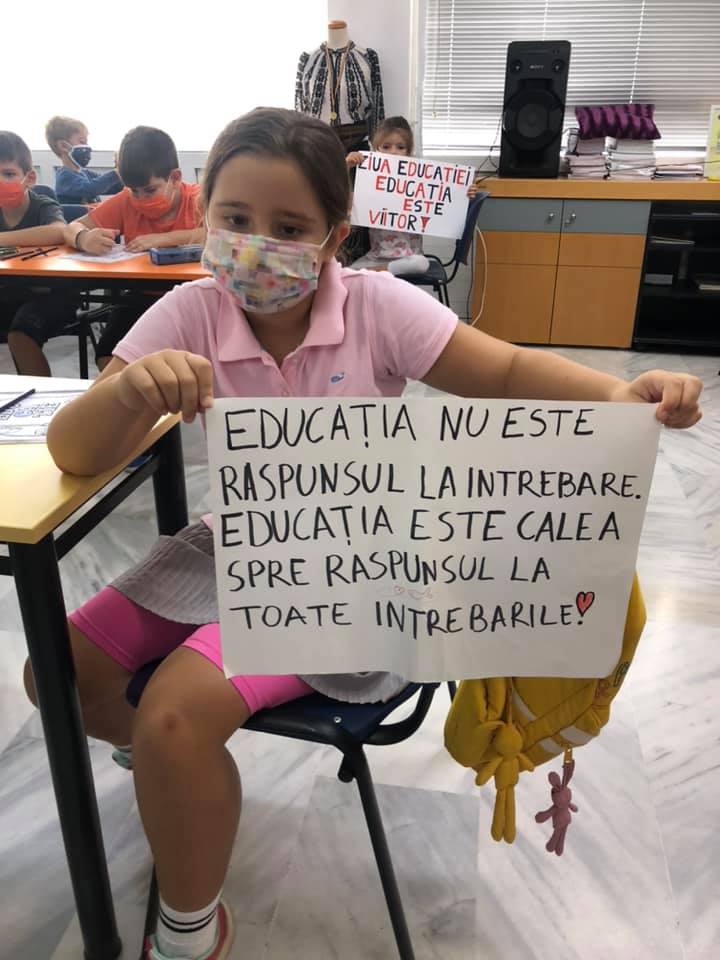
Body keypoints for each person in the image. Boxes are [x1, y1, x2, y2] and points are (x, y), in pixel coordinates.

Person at [29, 108, 702, 960]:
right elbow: (74, 451)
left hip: (351, 571)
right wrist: (128, 391)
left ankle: (190, 931)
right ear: (206, 214)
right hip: (233, 544)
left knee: (174, 716)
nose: (257, 244)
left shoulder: (376, 305)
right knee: (55, 675)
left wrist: (618, 396)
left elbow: (503, 369)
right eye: (235, 219)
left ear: (334, 237)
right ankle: (171, 771)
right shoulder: (191, 310)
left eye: (288, 229)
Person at [64, 126, 204, 368]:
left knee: (186, 366)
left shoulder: (199, 199)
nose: (140, 199)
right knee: (108, 358)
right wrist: (83, 238)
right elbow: (71, 227)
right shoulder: (126, 201)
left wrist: (163, 239)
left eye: (150, 190)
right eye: (134, 191)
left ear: (175, 178)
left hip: (195, 301)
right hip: (141, 296)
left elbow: (220, 234)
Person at [346, 115, 478, 274]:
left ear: (408, 152)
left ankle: (379, 272)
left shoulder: (420, 181)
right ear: (376, 149)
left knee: (421, 263)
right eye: (386, 146)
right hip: (376, 257)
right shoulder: (369, 181)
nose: (393, 152)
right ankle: (380, 271)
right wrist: (347, 166)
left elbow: (445, 202)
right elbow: (344, 202)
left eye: (400, 147)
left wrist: (463, 193)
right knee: (345, 274)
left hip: (410, 258)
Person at [0, 131, 78, 376]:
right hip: (9, 293)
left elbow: (58, 231)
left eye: (8, 174)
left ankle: (39, 395)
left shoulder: (43, 205)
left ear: (30, 177)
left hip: (52, 294)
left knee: (20, 332)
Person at [46, 115, 123, 204]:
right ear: (63, 146)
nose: (87, 146)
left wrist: (127, 179)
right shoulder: (64, 177)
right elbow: (90, 189)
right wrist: (116, 173)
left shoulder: (85, 173)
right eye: (82, 142)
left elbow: (111, 186)